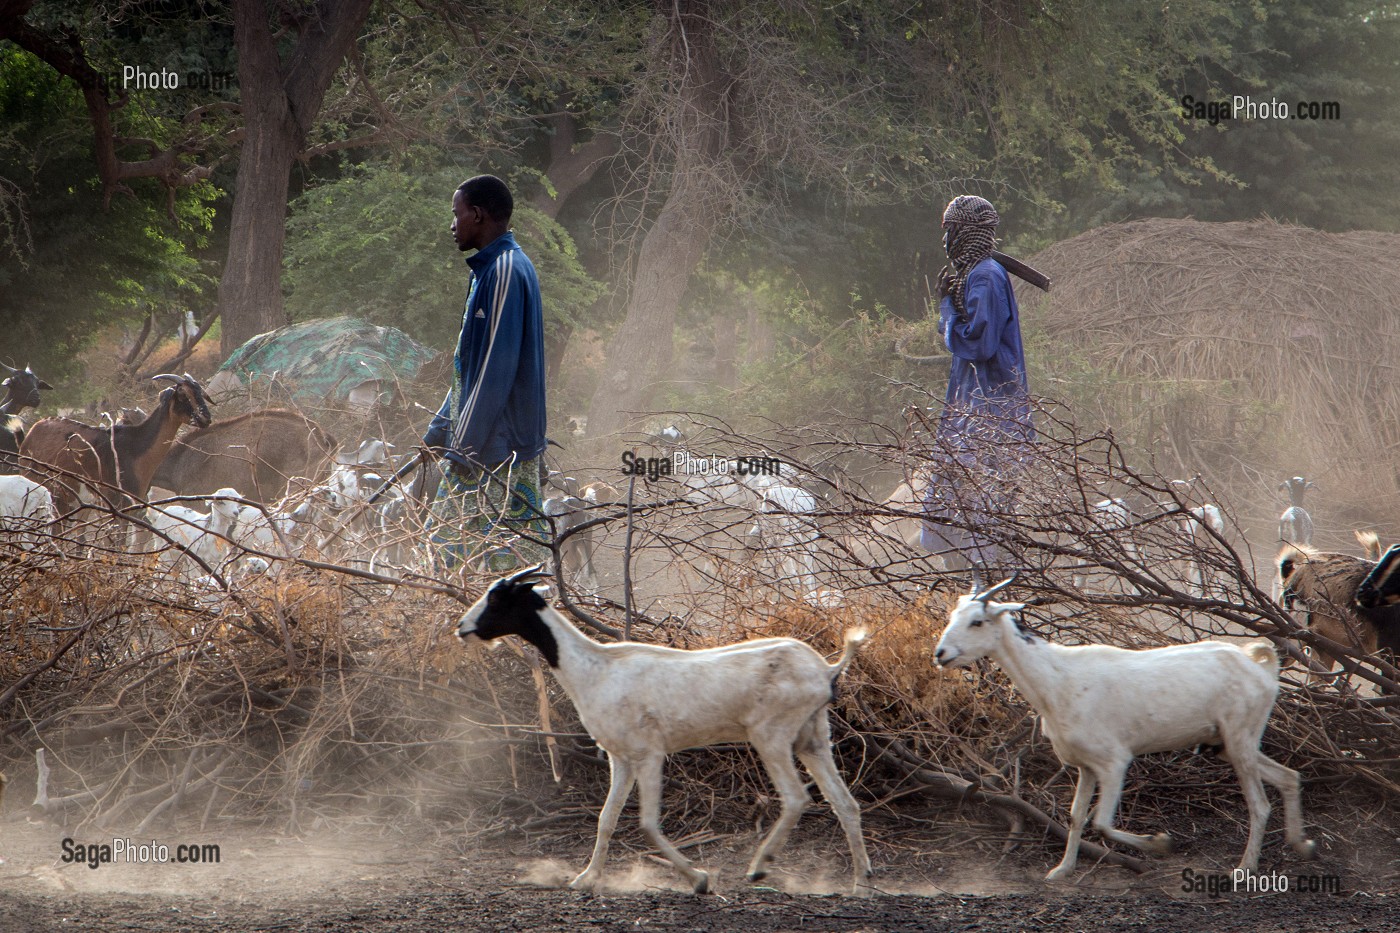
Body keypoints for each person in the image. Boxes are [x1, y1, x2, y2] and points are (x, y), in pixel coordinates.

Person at [423, 174, 549, 572]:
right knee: (502, 562)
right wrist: (440, 428)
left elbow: (497, 366)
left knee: (448, 557)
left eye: (455, 214)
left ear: (476, 215)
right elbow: (468, 369)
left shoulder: (507, 270)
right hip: (484, 442)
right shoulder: (488, 270)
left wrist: (464, 445)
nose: (452, 224)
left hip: (493, 448)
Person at [920, 194, 1035, 570]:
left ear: (965, 232)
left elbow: (980, 344)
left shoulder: (985, 276)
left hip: (990, 414)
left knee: (982, 514)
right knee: (961, 506)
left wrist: (947, 308)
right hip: (976, 411)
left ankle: (981, 595)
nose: (945, 239)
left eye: (950, 230)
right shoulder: (977, 273)